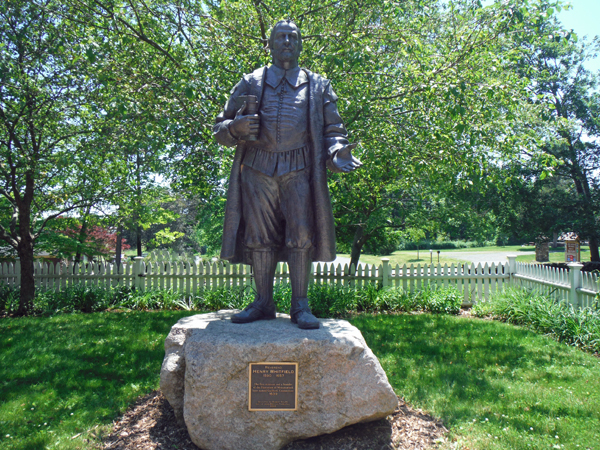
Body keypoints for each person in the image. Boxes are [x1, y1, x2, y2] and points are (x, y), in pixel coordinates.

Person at [214, 20, 361, 329]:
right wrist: (233, 128)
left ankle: (300, 305)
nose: (286, 41)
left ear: (300, 44)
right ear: (269, 43)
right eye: (280, 36)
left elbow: (334, 130)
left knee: (301, 236)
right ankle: (263, 302)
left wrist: (337, 153)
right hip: (257, 169)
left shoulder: (318, 85)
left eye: (292, 37)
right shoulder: (251, 81)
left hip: (300, 170)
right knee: (258, 237)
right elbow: (220, 126)